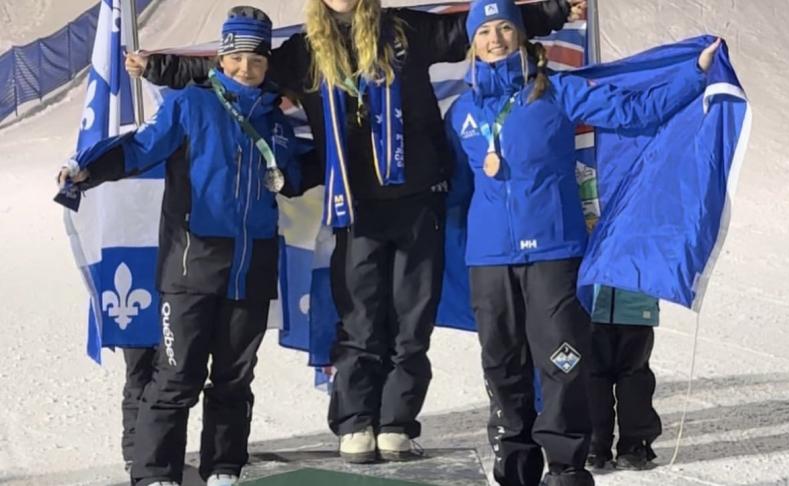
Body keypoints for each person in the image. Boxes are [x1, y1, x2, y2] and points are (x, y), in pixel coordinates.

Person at [126, 0, 584, 464]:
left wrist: (555, 10)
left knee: (411, 322)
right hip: (354, 207)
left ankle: (396, 422)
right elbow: (236, 70)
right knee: (361, 320)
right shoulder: (303, 53)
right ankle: (355, 421)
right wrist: (161, 67)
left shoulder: (403, 31)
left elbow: (476, 26)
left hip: (417, 199)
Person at [444, 1, 720, 484]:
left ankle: (566, 466)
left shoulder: (557, 90)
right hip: (489, 260)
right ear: (472, 42)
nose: (495, 38)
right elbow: (455, 192)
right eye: (485, 30)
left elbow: (633, 112)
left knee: (563, 359)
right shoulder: (461, 111)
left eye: (505, 27)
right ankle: (514, 463)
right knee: (502, 364)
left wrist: (694, 75)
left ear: (521, 34)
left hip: (554, 250)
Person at [57, 7, 318, 486]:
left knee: (235, 380)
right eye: (237, 58)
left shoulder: (277, 118)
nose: (246, 69)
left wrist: (296, 176)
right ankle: (156, 473)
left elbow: (297, 174)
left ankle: (223, 467)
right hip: (191, 266)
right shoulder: (190, 105)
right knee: (177, 377)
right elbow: (139, 150)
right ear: (221, 58)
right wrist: (88, 169)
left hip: (252, 264)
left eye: (256, 61)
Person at [587, 287, 662, 471]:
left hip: (635, 312)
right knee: (595, 380)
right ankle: (597, 443)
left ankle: (631, 444)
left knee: (632, 381)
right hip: (598, 311)